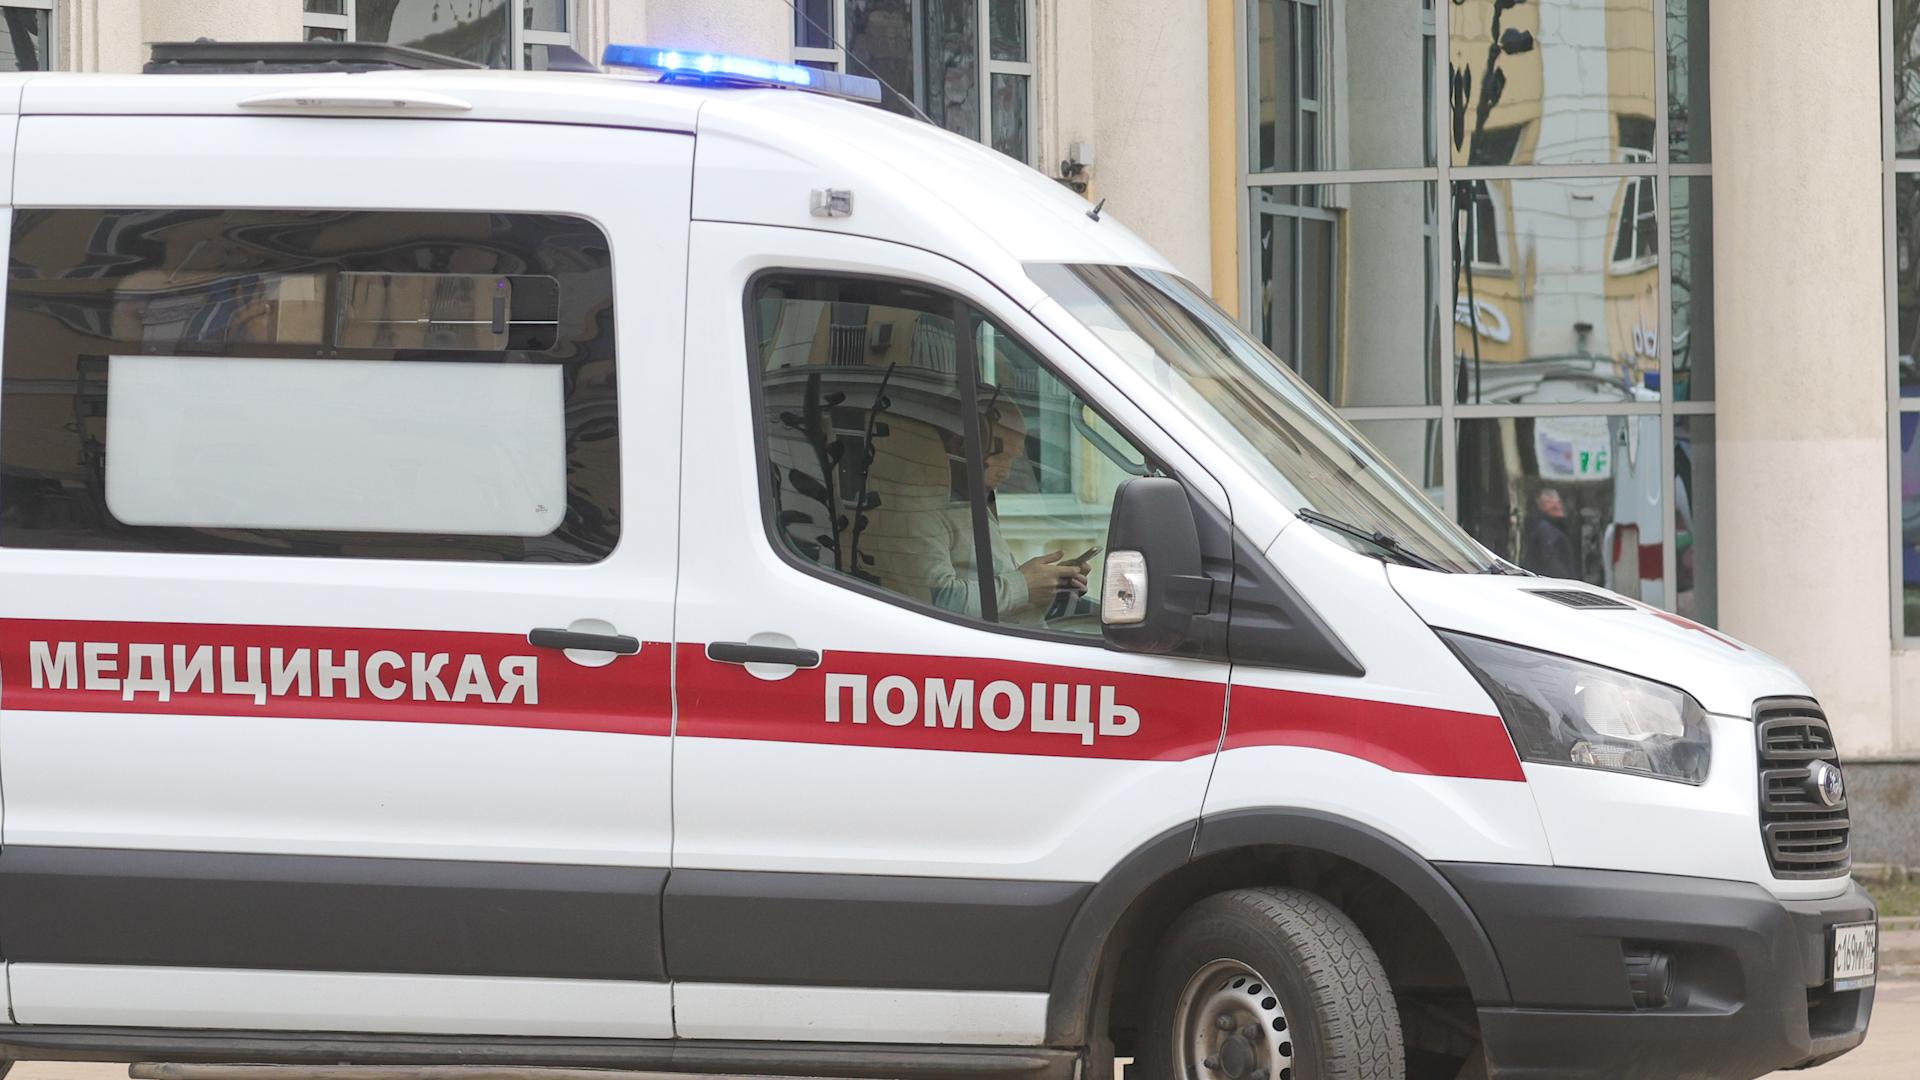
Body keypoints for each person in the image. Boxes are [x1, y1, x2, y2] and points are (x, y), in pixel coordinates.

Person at [874, 394, 1088, 622]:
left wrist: (1050, 584)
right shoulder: (915, 513)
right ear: (960, 445)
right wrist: (1024, 585)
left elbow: (1001, 599)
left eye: (1013, 460)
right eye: (1001, 458)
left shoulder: (969, 504)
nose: (1007, 473)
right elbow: (939, 604)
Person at [1521, 486, 1579, 580]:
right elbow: (1552, 563)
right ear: (1541, 506)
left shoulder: (1558, 527)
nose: (1556, 506)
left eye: (1558, 502)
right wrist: (1567, 582)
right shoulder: (1545, 529)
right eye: (1549, 502)